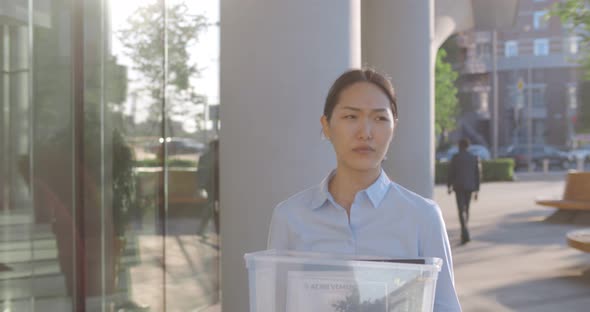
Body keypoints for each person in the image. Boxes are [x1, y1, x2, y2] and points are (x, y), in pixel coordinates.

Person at [267, 69, 462, 311]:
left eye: (380, 118)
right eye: (350, 117)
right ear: (326, 126)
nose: (366, 133)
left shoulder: (423, 217)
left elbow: (445, 307)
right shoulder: (290, 217)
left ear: (394, 127)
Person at [447, 138, 481, 245]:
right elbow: (478, 175)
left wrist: (449, 186)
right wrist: (477, 190)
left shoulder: (456, 158)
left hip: (459, 187)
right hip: (470, 187)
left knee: (461, 209)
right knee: (467, 209)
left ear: (459, 146)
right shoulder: (473, 157)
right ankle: (465, 230)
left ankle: (464, 231)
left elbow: (451, 172)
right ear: (468, 146)